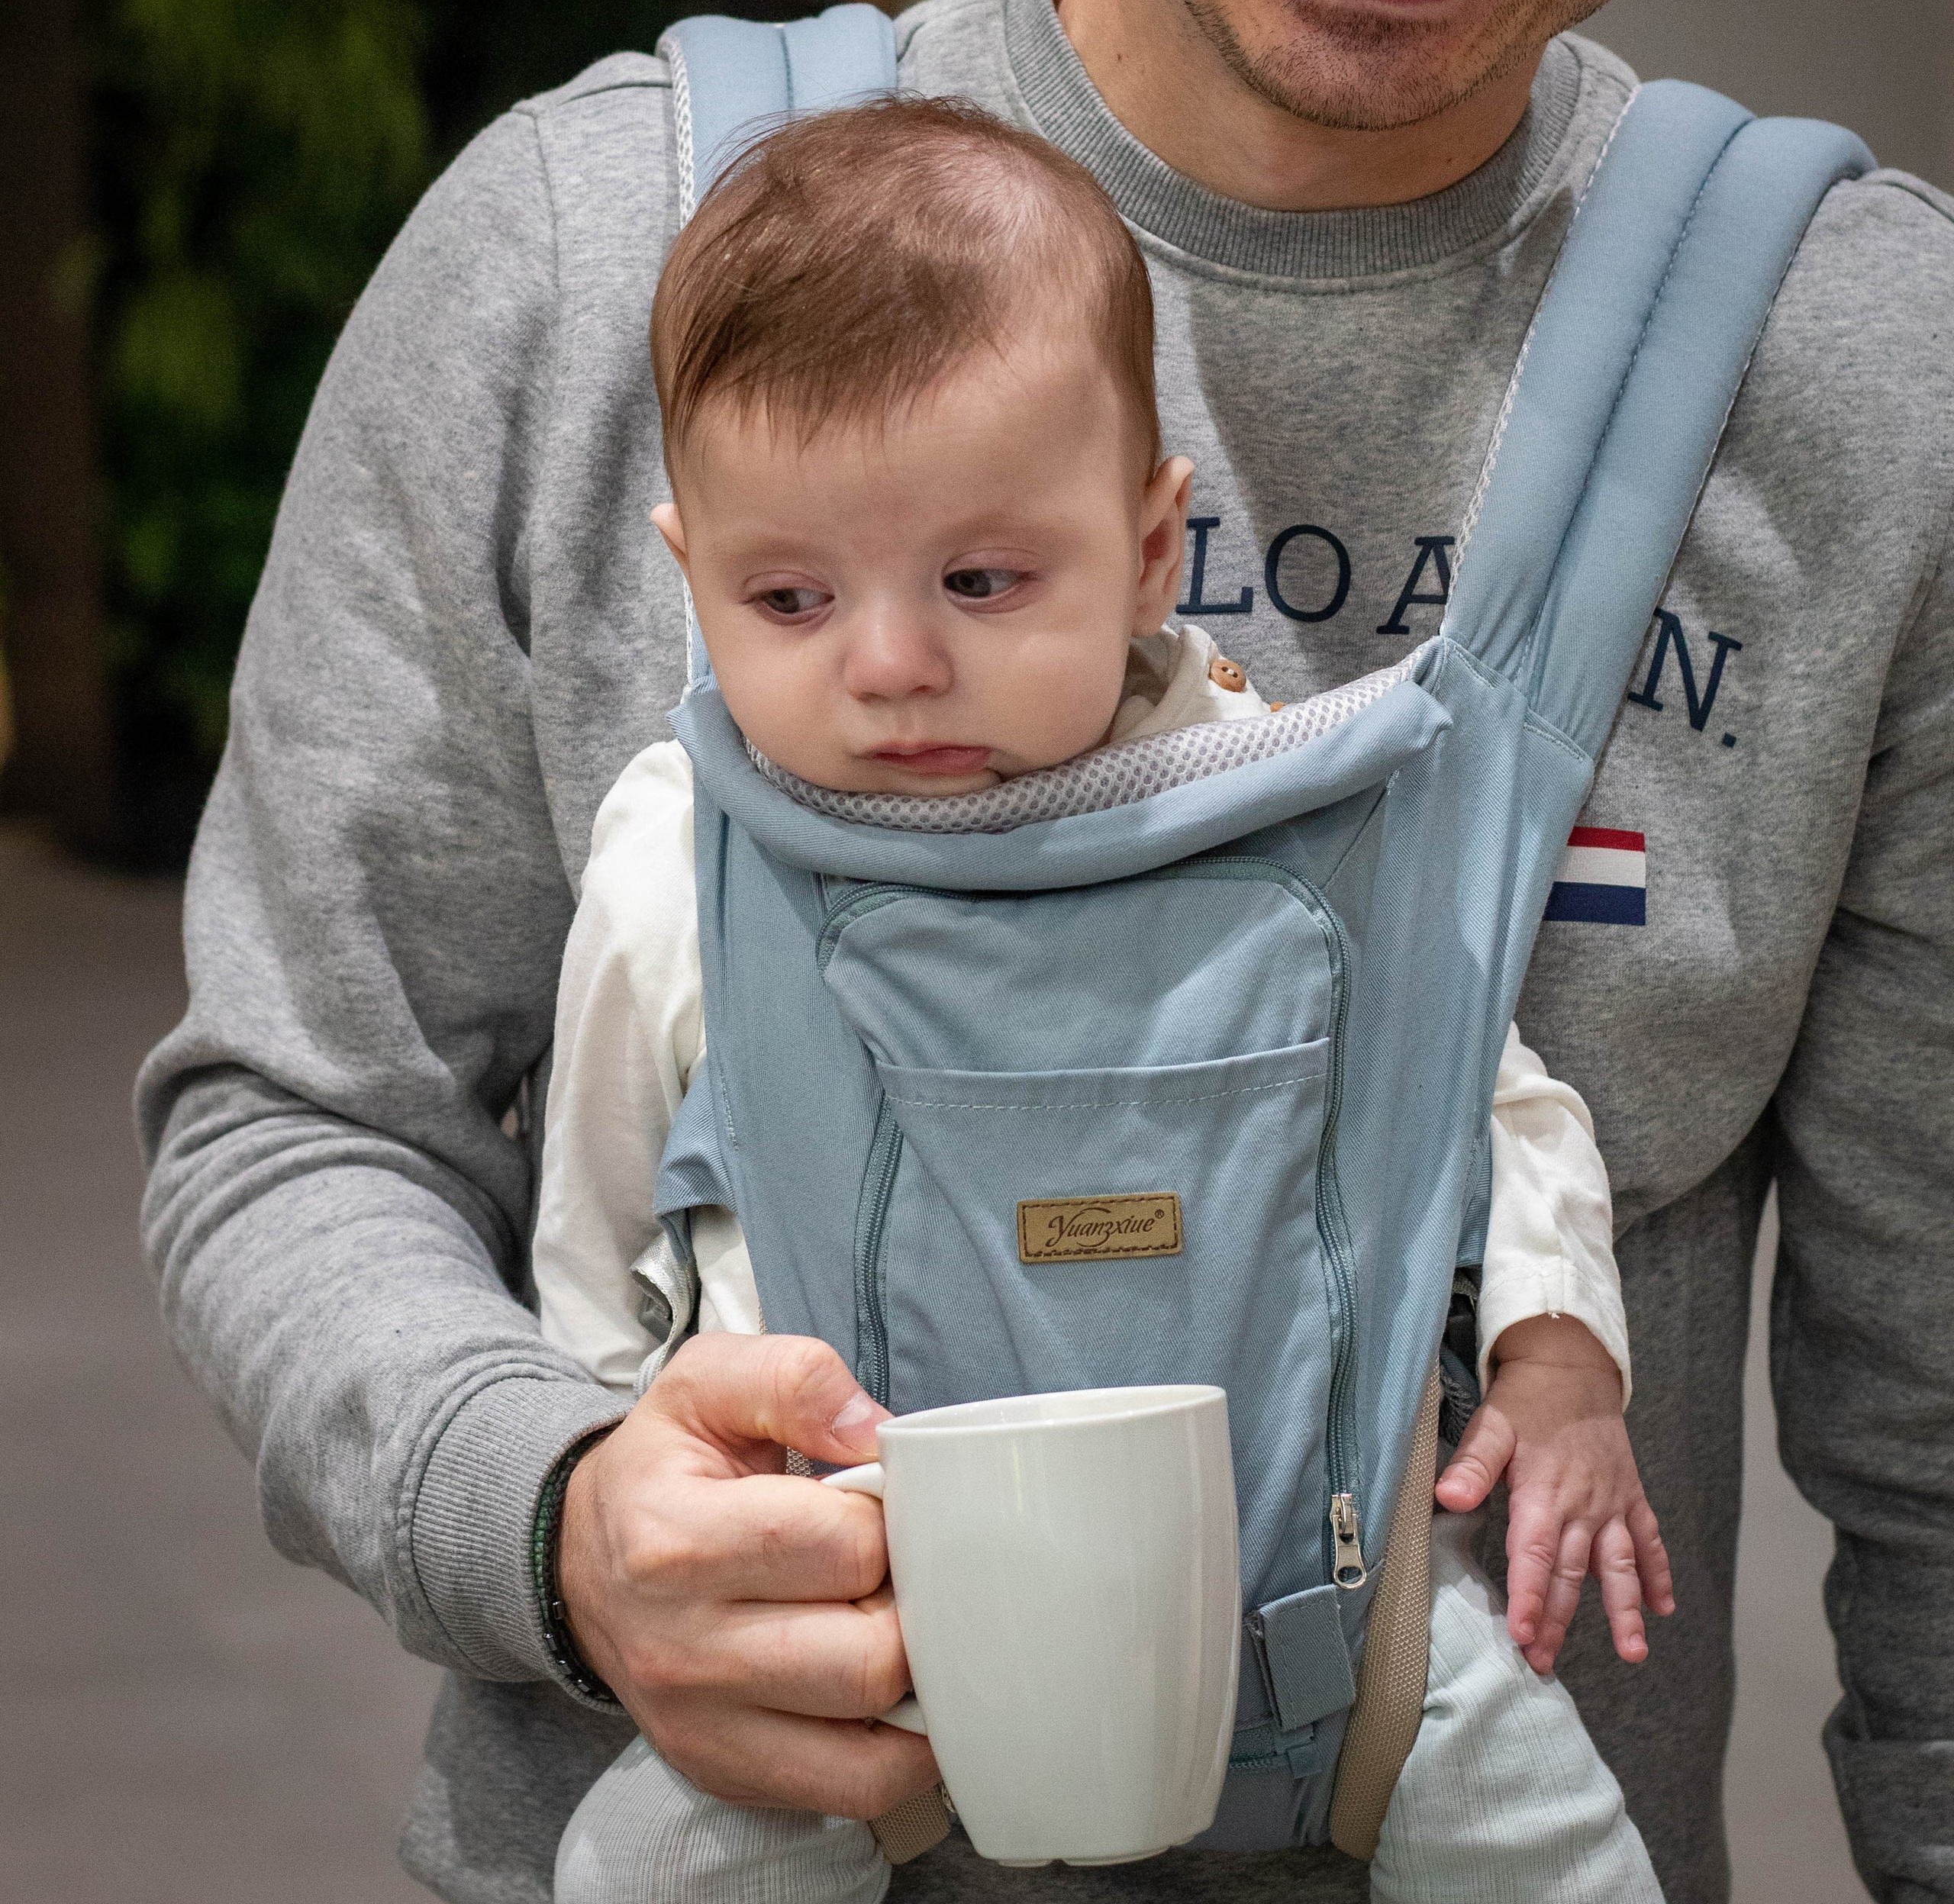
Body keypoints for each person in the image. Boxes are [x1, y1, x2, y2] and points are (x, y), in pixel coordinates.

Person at [137, 0, 1954, 1904]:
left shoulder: (1866, 378)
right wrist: (554, 1512)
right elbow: (297, 1116)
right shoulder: (590, 260)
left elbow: (1943, 1416)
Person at [537, 94, 1666, 1904]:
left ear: (1152, 552)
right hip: (855, 1618)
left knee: (1545, 1840)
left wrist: (1554, 1361)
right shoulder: (689, 848)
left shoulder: (1273, 801)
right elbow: (597, 1214)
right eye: (789, 594)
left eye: (984, 580)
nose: (893, 663)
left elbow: (1475, 1088)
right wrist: (612, 1478)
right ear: (688, 580)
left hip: (1336, 1609)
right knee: (636, 1869)